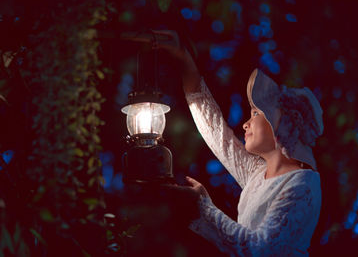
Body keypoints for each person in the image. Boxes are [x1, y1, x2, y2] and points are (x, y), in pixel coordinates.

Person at [126, 30, 324, 256]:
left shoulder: (303, 183)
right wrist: (185, 60)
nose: (245, 124)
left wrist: (205, 207)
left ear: (282, 123)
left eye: (256, 113)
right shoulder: (257, 175)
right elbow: (216, 132)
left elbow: (259, 250)